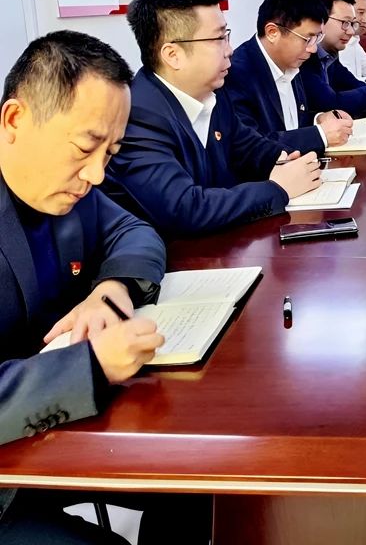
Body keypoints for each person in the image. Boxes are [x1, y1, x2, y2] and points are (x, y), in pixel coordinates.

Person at [0, 31, 211, 543]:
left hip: (53, 436)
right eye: (85, 146)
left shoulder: (69, 189)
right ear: (15, 120)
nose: (96, 174)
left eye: (111, 152)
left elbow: (134, 231)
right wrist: (90, 366)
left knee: (199, 477)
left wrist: (111, 289)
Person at [102, 0, 323, 239]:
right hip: (177, 256)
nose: (230, 50)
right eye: (219, 39)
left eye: (226, 36)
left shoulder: (212, 95)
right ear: (173, 55)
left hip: (224, 245)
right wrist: (279, 188)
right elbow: (185, 209)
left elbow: (251, 149)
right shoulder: (137, 117)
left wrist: (289, 161)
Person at [222, 0, 355, 154]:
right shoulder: (236, 73)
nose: (313, 49)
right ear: (272, 32)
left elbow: (290, 124)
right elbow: (250, 146)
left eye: (317, 38)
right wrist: (320, 135)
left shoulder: (291, 61)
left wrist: (319, 119)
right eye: (307, 39)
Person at [303, 0, 366, 116]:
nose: (351, 31)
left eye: (352, 24)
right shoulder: (304, 56)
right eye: (345, 23)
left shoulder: (329, 55)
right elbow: (330, 104)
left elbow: (351, 83)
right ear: (320, 20)